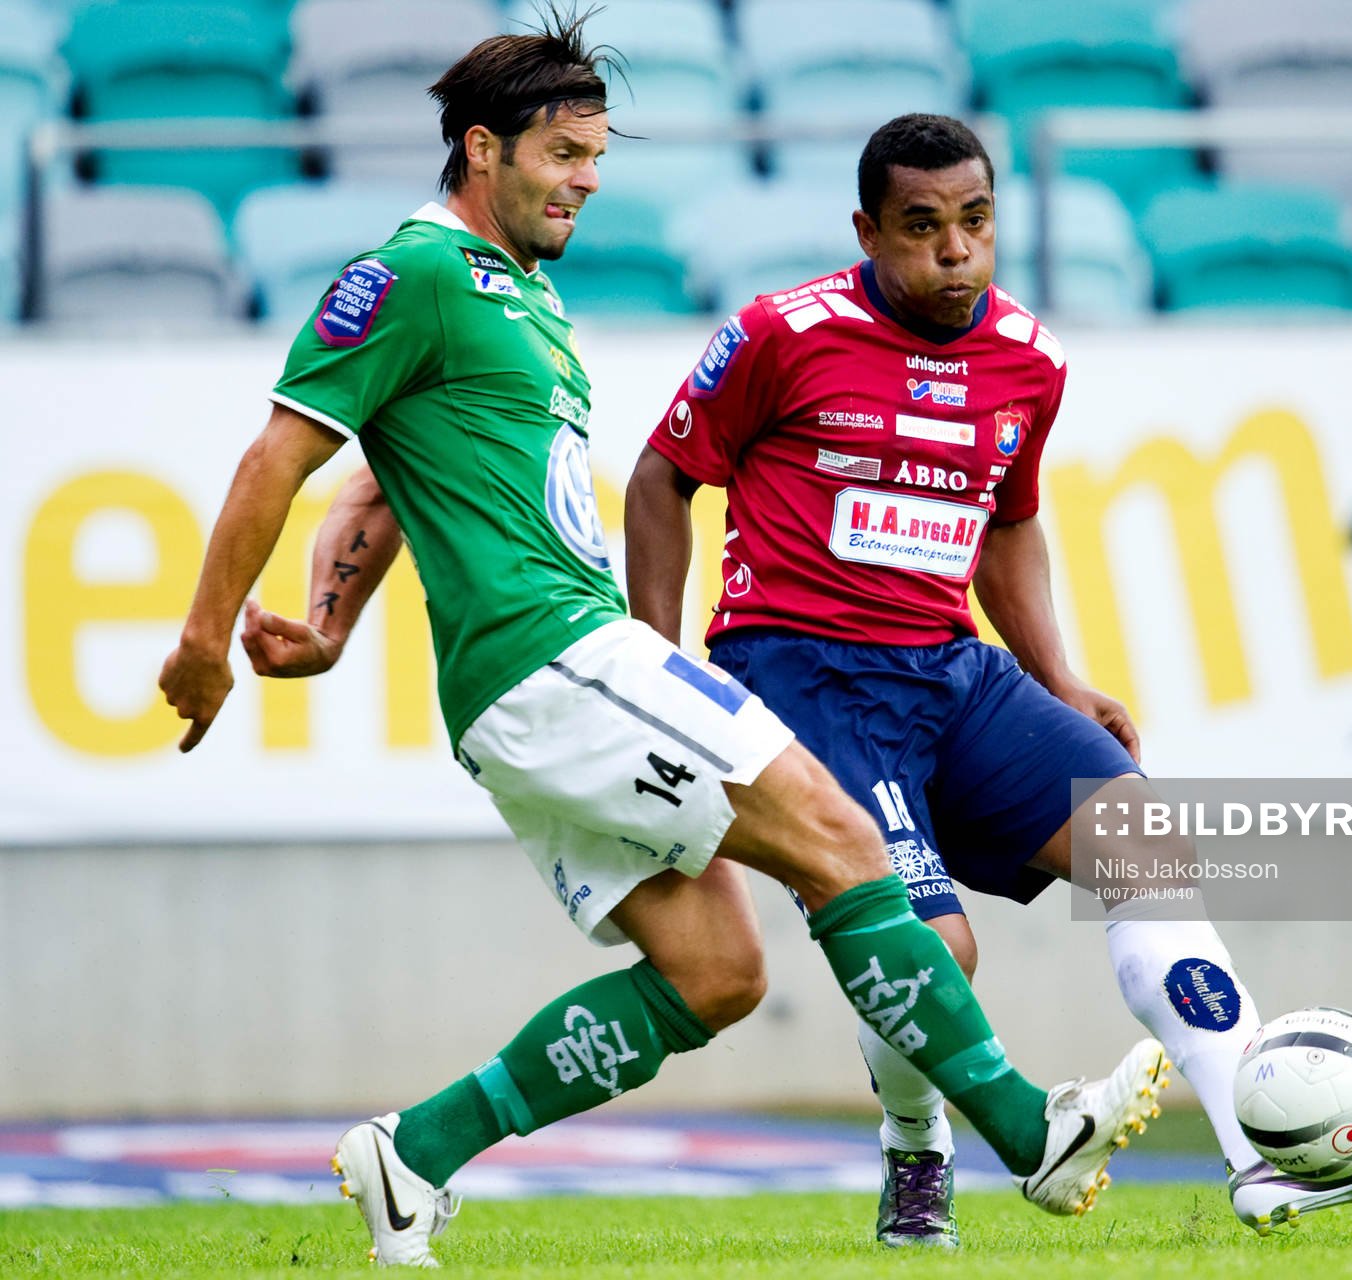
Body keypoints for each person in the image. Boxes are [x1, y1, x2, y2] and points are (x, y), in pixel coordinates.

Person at [260, 105, 1352, 1249]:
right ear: (868, 231)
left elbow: (1010, 521)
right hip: (802, 666)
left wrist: (1058, 675)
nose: (956, 248)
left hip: (950, 667)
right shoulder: (783, 331)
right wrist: (661, 662)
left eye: (976, 219)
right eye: (925, 225)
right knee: (941, 947)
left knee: (1143, 840)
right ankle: (916, 1151)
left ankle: (1255, 1154)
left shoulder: (1027, 359)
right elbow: (663, 476)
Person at [157, 16, 1166, 1269]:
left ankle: (411, 1152)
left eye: (594, 153)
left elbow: (375, 484)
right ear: (484, 150)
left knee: (715, 970)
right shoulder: (414, 272)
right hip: (554, 657)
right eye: (565, 152)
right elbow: (282, 449)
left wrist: (324, 625)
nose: (587, 177)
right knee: (843, 840)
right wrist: (206, 637)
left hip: (524, 693)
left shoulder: (519, 297)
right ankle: (1028, 1131)